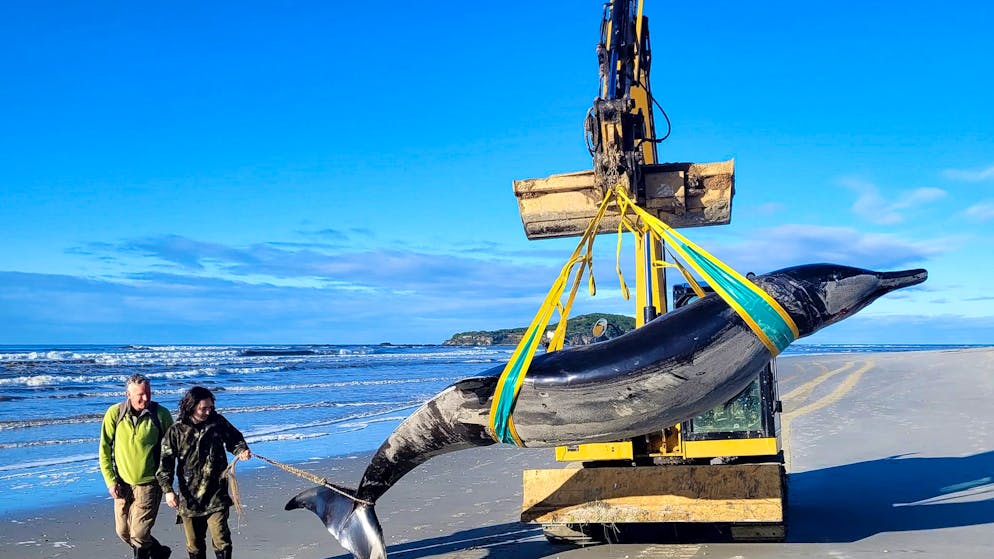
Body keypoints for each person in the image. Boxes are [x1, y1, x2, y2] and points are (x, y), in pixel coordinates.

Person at [157, 386, 251, 559]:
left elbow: (235, 439)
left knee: (222, 541)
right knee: (195, 545)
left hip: (217, 494)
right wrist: (168, 490)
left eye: (211, 407)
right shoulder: (176, 430)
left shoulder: (217, 422)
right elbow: (165, 463)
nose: (208, 411)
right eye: (203, 408)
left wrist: (241, 450)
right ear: (192, 407)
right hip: (189, 498)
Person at [99, 373, 175, 559]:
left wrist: (168, 486)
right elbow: (104, 450)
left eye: (148, 393)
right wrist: (110, 482)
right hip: (122, 484)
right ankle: (159, 552)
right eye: (140, 394)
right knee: (123, 532)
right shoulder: (115, 414)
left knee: (139, 534)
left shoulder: (161, 414)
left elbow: (172, 450)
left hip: (149, 483)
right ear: (128, 394)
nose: (146, 398)